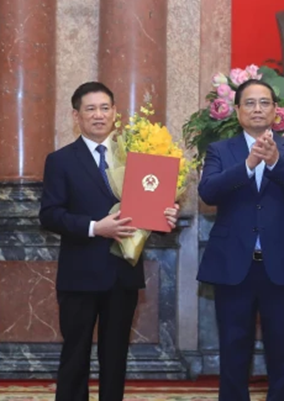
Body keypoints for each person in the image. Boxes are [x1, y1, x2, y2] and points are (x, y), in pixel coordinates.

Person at [40, 82, 178, 401]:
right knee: (75, 356)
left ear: (115, 113)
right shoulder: (60, 161)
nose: (99, 115)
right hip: (79, 274)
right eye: (90, 109)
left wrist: (164, 220)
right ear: (76, 116)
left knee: (115, 358)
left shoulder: (136, 158)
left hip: (122, 273)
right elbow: (49, 214)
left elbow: (145, 212)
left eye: (105, 108)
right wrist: (93, 228)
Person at [197, 78, 284, 401]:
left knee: (282, 352)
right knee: (234, 350)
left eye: (264, 102)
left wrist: (276, 163)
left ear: (276, 111)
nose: (257, 109)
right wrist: (248, 165)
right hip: (234, 265)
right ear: (237, 112)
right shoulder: (221, 151)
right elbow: (208, 192)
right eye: (249, 103)